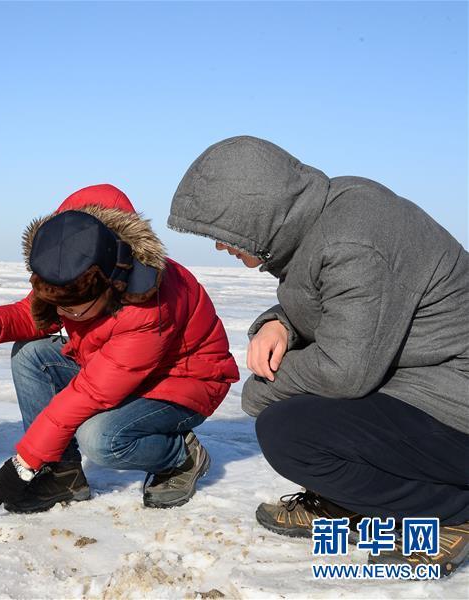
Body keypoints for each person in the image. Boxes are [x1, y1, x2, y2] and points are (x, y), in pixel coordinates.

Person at [168, 135, 469, 575]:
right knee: (300, 410)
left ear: (257, 213)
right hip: (423, 386)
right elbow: (338, 307)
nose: (219, 246)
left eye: (223, 231)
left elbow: (343, 372)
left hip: (454, 405)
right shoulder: (330, 217)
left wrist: (262, 390)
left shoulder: (354, 241)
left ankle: (451, 513)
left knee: (291, 432)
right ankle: (349, 501)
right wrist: (280, 324)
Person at [0, 184, 238, 514]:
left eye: (74, 311)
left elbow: (89, 393)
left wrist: (25, 462)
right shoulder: (75, 264)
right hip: (119, 371)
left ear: (108, 283)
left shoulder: (147, 306)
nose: (64, 316)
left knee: (100, 439)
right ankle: (64, 475)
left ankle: (181, 456)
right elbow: (40, 313)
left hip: (182, 383)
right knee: (31, 356)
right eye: (60, 306)